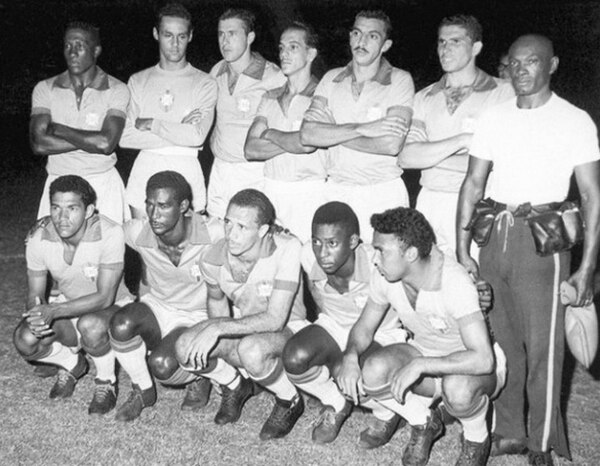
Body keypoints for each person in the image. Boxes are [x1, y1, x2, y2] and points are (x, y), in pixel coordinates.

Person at [456, 34, 600, 465]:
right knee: (504, 342)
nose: (521, 70)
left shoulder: (574, 120)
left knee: (543, 350)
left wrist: (586, 270)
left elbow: (592, 197)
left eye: (532, 62)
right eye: (514, 63)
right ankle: (511, 431)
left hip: (543, 237)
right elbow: (472, 184)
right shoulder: (494, 117)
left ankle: (542, 442)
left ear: (551, 65)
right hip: (494, 235)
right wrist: (464, 248)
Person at [337, 207, 506, 466]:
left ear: (412, 253)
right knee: (371, 369)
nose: (375, 259)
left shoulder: (454, 281)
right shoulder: (385, 275)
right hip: (426, 352)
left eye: (382, 251)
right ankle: (424, 421)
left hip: (473, 366)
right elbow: (364, 328)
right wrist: (350, 356)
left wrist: (421, 365)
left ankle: (476, 438)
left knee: (457, 390)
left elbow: (483, 359)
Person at [176, 189, 307, 440]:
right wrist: (212, 334)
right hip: (245, 324)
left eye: (242, 227)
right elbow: (216, 304)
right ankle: (235, 385)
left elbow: (276, 319)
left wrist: (216, 330)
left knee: (252, 350)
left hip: (291, 326)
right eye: (228, 222)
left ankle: (288, 399)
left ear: (262, 231)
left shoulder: (286, 248)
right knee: (185, 346)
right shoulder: (212, 257)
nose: (231, 234)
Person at [282, 202, 407, 447]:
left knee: (350, 372)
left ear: (352, 242)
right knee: (294, 356)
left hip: (380, 331)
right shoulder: (308, 254)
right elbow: (316, 293)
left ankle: (387, 414)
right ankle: (336, 402)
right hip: (336, 325)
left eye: (332, 243)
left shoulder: (377, 262)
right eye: (317, 241)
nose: (322, 253)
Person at [13, 175, 133, 415]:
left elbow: (104, 297)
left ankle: (106, 382)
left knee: (91, 325)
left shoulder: (110, 233)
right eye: (56, 208)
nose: (62, 217)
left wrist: (54, 311)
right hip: (69, 305)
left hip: (114, 308)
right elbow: (35, 293)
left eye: (72, 208)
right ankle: (71, 363)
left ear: (88, 210)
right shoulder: (39, 238)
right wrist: (37, 314)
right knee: (25, 339)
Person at [109, 171, 222, 421]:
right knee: (120, 323)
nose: (153, 214)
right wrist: (46, 225)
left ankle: (201, 376)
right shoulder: (140, 231)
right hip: (159, 307)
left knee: (162, 365)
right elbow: (102, 230)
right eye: (149, 204)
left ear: (183, 206)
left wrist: (276, 231)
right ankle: (143, 390)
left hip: (197, 315)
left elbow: (250, 235)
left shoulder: (213, 232)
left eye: (163, 206)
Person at [398, 14, 514, 255]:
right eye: (442, 42)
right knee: (430, 281)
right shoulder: (424, 97)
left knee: (475, 282)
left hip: (480, 205)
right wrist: (463, 141)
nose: (445, 49)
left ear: (476, 47)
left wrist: (431, 158)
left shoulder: (503, 94)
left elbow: (503, 159)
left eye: (455, 42)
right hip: (430, 202)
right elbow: (407, 158)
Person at [301, 10, 414, 238]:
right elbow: (307, 135)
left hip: (382, 190)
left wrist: (333, 131)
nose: (361, 42)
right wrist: (364, 128)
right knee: (332, 267)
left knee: (383, 269)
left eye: (372, 36)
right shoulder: (331, 78)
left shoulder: (400, 80)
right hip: (337, 188)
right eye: (356, 33)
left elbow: (391, 144)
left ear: (386, 44)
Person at [120, 2, 217, 218]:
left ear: (190, 36)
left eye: (181, 36)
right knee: (145, 245)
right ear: (156, 34)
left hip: (187, 168)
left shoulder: (205, 82)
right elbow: (125, 137)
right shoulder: (138, 80)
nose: (174, 44)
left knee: (190, 248)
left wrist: (153, 124)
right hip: (146, 166)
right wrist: (179, 129)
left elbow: (196, 137)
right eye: (168, 35)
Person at [29, 22, 130, 224]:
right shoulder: (46, 88)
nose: (73, 52)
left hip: (102, 183)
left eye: (80, 45)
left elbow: (106, 144)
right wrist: (91, 139)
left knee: (103, 252)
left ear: (96, 50)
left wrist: (59, 129)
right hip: (58, 183)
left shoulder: (117, 89)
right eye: (68, 45)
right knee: (57, 252)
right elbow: (39, 144)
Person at [244, 22, 327, 242]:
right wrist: (293, 141)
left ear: (310, 54)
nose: (284, 54)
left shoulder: (323, 95)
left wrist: (270, 133)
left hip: (308, 192)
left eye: (292, 47)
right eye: (281, 48)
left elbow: (305, 144)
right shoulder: (269, 96)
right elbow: (251, 149)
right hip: (272, 189)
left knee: (309, 263)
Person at [207, 9, 286, 219]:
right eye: (221, 34)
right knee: (216, 238)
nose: (225, 41)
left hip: (252, 173)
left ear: (250, 37)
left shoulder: (273, 77)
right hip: (220, 169)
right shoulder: (216, 71)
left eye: (232, 33)